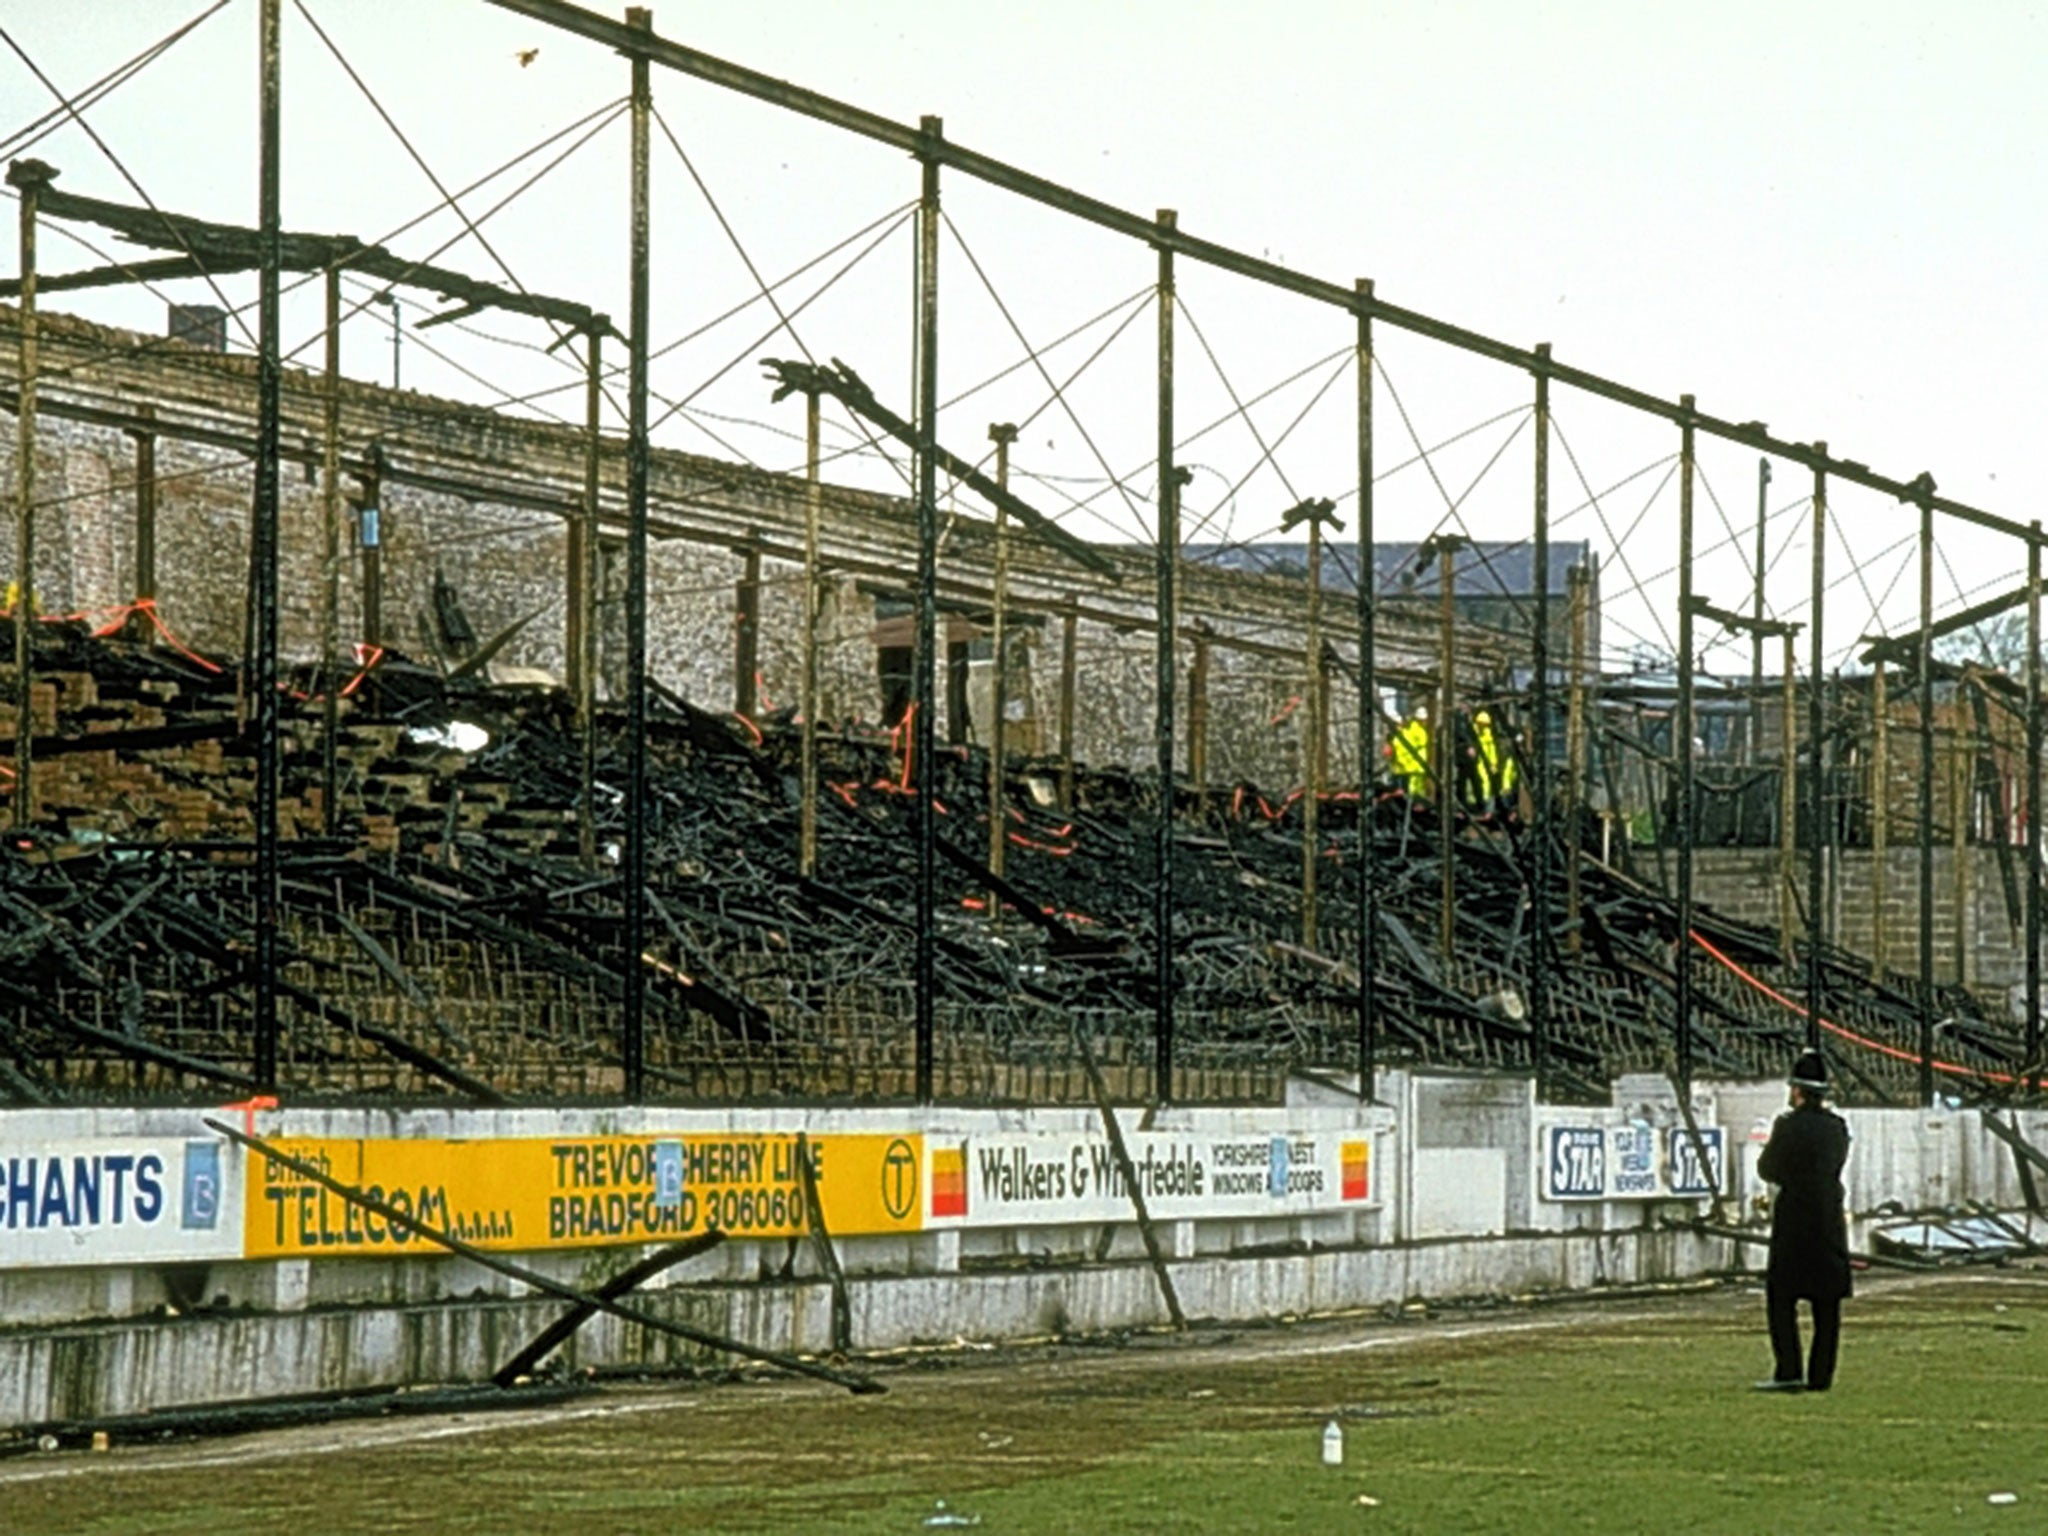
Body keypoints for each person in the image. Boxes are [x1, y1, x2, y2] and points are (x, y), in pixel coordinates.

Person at [1754, 1048, 1852, 1392]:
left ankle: (1789, 1369)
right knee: (1827, 1305)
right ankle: (1821, 1375)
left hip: (1794, 1218)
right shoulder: (1837, 1128)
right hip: (1827, 1217)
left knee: (1782, 1298)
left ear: (1797, 1090)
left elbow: (1767, 1168)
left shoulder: (1787, 1126)